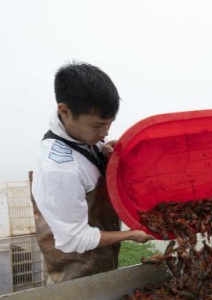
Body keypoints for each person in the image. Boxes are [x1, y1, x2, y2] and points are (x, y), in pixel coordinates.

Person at [31, 61, 154, 283]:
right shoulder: (58, 169)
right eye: (98, 126)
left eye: (109, 124)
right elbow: (74, 239)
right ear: (65, 111)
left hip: (100, 247)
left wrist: (104, 155)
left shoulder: (79, 135)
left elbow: (89, 166)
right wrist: (130, 235)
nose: (104, 132)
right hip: (78, 264)